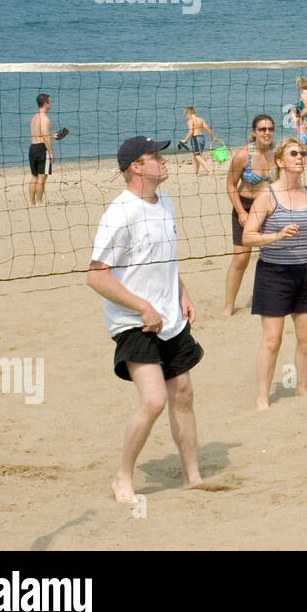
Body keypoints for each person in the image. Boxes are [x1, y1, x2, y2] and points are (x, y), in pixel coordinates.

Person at [87, 137, 204, 503]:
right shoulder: (120, 214)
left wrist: (181, 292)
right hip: (133, 320)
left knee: (183, 393)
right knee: (153, 400)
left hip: (168, 314)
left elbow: (163, 260)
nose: (164, 161)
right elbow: (96, 276)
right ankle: (123, 477)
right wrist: (142, 307)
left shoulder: (165, 202)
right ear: (137, 166)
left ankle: (193, 477)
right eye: (156, 156)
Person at [241, 137, 307, 409]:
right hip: (273, 273)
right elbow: (248, 237)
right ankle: (262, 399)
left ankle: (301, 389)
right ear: (280, 162)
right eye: (293, 153)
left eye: (302, 153)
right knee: (272, 340)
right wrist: (277, 235)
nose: (300, 157)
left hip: (303, 271)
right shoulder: (267, 195)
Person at [223, 114, 276, 316]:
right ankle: (229, 306)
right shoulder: (243, 155)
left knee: (275, 255)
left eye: (270, 129)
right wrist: (240, 212)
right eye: (262, 129)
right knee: (241, 258)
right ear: (254, 132)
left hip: (269, 207)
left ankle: (277, 299)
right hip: (244, 206)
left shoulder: (278, 153)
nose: (267, 133)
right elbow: (230, 185)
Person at [28, 92, 55, 205]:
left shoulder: (34, 117)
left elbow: (40, 134)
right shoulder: (44, 118)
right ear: (45, 103)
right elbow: (44, 137)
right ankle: (39, 201)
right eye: (50, 102)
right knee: (42, 178)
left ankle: (32, 202)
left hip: (33, 147)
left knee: (34, 177)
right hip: (41, 149)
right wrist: (51, 152)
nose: (51, 104)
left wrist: (51, 136)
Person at [178, 107, 218, 177]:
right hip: (202, 138)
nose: (186, 117)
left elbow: (190, 132)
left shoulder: (190, 121)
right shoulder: (200, 119)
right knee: (195, 156)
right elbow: (207, 128)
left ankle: (209, 171)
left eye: (186, 115)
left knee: (197, 156)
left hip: (195, 139)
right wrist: (213, 137)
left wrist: (185, 140)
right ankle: (195, 173)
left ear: (189, 113)